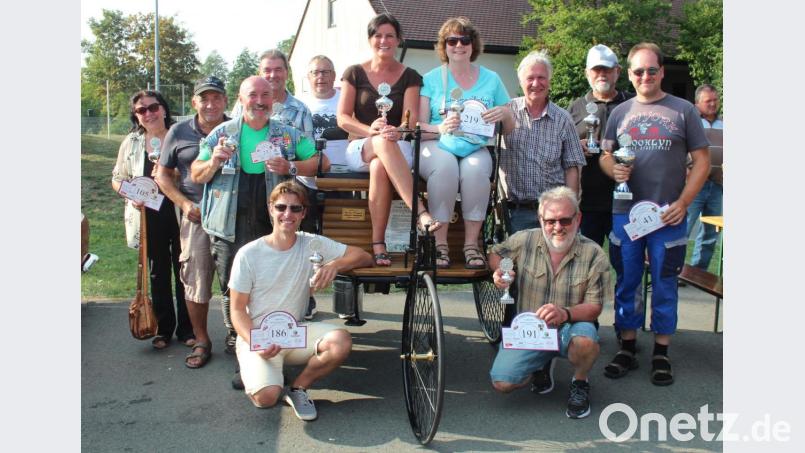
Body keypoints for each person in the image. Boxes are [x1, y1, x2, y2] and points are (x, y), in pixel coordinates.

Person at [190, 76, 327, 366]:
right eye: (253, 95)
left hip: (273, 220)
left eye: (266, 95)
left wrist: (291, 165)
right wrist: (213, 161)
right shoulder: (222, 133)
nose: (260, 101)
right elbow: (196, 174)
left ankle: (276, 339)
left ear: (273, 100)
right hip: (229, 223)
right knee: (231, 285)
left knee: (272, 283)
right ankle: (237, 337)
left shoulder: (286, 134)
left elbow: (321, 163)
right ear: (241, 99)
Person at [599, 42, 710, 386]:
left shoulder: (683, 110)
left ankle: (661, 351)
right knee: (628, 279)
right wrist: (613, 170)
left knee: (664, 280)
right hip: (627, 213)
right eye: (638, 71)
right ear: (629, 75)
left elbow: (702, 162)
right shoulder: (619, 112)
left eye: (651, 70)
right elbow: (605, 156)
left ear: (661, 71)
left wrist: (685, 202)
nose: (645, 76)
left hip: (667, 214)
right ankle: (627, 346)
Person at [230, 181, 373, 421]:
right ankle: (255, 369)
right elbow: (236, 310)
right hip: (258, 335)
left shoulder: (312, 244)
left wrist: (334, 265)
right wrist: (257, 341)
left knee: (340, 342)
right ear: (271, 209)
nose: (288, 214)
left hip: (293, 333)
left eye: (295, 208)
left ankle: (298, 388)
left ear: (303, 213)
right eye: (281, 207)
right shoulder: (249, 254)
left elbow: (364, 257)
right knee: (266, 398)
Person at [487, 186, 611, 419]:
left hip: (571, 326)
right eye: (550, 221)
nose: (557, 227)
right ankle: (540, 362)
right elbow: (495, 253)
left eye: (565, 220)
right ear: (540, 219)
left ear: (578, 218)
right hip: (530, 330)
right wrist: (500, 271)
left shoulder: (595, 254)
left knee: (585, 342)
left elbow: (595, 307)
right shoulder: (524, 239)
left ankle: (580, 382)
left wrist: (564, 313)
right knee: (502, 382)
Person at [337, 13, 442, 267]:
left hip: (397, 145)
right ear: (370, 39)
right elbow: (342, 118)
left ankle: (378, 244)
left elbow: (410, 120)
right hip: (361, 146)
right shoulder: (354, 73)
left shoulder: (411, 76)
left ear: (398, 40)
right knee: (381, 143)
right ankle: (421, 213)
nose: (383, 41)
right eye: (378, 35)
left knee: (380, 165)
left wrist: (400, 131)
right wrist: (369, 130)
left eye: (389, 36)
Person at [417, 17, 515, 269]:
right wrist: (441, 127)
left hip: (475, 145)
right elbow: (419, 127)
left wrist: (504, 114)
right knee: (445, 168)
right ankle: (440, 244)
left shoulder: (492, 79)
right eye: (452, 40)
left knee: (476, 170)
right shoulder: (430, 79)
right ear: (444, 45)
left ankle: (472, 244)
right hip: (438, 142)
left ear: (473, 45)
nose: (459, 45)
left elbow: (509, 126)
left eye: (465, 40)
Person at [155, 76, 229, 368]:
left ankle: (239, 338)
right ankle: (201, 339)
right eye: (204, 98)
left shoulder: (237, 128)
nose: (210, 104)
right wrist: (184, 204)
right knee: (195, 279)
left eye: (216, 98)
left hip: (232, 216)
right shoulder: (179, 131)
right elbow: (162, 176)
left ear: (225, 100)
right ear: (194, 102)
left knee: (238, 281)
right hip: (196, 217)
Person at [112, 90, 194, 350]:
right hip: (148, 217)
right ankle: (163, 329)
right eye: (141, 110)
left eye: (153, 107)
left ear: (164, 109)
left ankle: (187, 329)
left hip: (179, 213)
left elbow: (195, 174)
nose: (148, 113)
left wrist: (175, 175)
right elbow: (117, 178)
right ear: (135, 115)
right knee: (158, 273)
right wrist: (130, 194)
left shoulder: (180, 135)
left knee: (184, 271)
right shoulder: (132, 142)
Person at [500, 50, 586, 233]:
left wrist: (571, 209)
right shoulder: (506, 111)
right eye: (530, 78)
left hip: (555, 213)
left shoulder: (563, 119)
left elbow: (572, 168)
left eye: (541, 78)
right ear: (520, 81)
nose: (536, 83)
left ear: (549, 81)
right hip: (518, 213)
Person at [568, 44, 634, 247]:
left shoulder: (634, 104)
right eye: (596, 69)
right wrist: (576, 146)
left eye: (607, 69)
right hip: (587, 203)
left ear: (618, 72)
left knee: (625, 259)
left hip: (628, 201)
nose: (602, 74)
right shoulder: (575, 108)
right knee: (586, 260)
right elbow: (561, 150)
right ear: (587, 73)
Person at [685, 84, 723, 271]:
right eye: (708, 101)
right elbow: (680, 148)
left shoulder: (725, 123)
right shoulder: (691, 123)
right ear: (697, 103)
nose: (713, 104)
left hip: (717, 185)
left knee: (710, 233)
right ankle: (673, 271)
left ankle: (698, 274)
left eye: (715, 100)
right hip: (694, 185)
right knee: (683, 229)